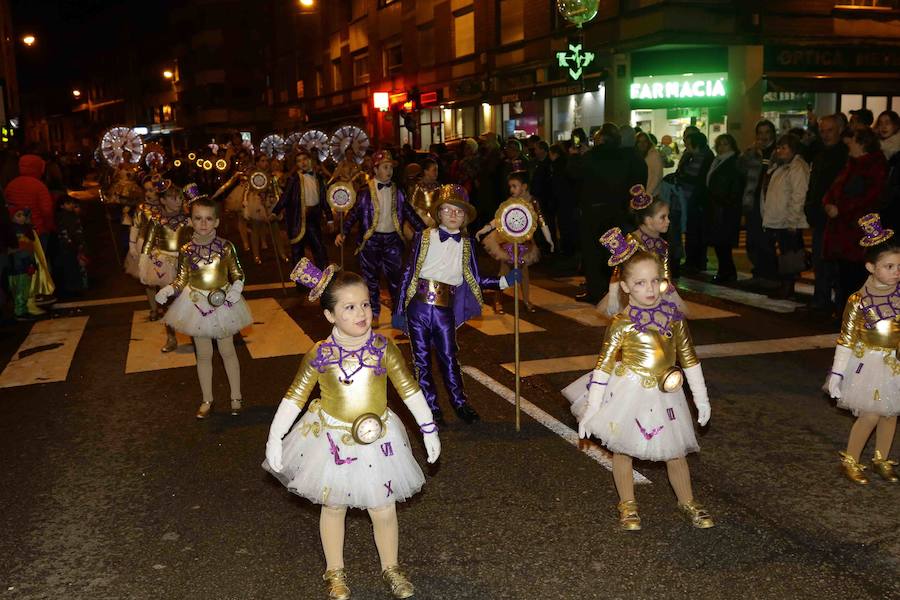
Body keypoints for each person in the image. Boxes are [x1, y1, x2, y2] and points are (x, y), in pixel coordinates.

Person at [264, 261, 440, 600]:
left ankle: (391, 566)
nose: (362, 312)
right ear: (330, 316)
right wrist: (276, 435)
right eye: (349, 307)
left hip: (379, 440)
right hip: (333, 441)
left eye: (366, 304)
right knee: (333, 507)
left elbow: (408, 389)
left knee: (384, 506)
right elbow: (294, 396)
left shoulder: (383, 347)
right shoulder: (320, 354)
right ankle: (335, 572)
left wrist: (428, 427)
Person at [563, 228, 713, 530]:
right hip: (630, 390)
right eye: (640, 283)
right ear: (626, 288)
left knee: (675, 450)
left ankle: (688, 501)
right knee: (624, 448)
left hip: (667, 391)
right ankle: (628, 505)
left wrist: (701, 399)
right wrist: (593, 409)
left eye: (655, 281)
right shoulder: (622, 323)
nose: (650, 289)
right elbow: (603, 366)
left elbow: (689, 358)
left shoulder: (673, 317)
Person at [395, 184, 521, 426]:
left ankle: (460, 403)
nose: (454, 215)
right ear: (439, 213)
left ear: (464, 218)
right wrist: (400, 309)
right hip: (418, 307)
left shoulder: (466, 245)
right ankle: (431, 408)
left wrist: (503, 281)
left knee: (449, 357)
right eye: (449, 210)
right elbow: (408, 273)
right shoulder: (424, 238)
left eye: (459, 212)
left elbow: (475, 276)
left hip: (444, 309)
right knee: (421, 360)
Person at [154, 191, 251, 418]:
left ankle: (236, 396)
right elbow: (181, 279)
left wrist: (236, 289)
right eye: (198, 218)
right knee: (203, 354)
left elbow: (238, 273)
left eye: (208, 218)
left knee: (227, 351)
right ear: (190, 221)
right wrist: (169, 289)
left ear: (217, 221)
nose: (203, 223)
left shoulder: (226, 247)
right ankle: (207, 399)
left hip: (223, 302)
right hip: (196, 305)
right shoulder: (186, 250)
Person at [824, 214, 899, 485]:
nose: (896, 272)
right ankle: (851, 460)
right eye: (889, 266)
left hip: (895, 361)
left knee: (891, 413)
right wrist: (837, 374)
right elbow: (845, 339)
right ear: (870, 267)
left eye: (899, 266)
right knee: (871, 414)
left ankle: (880, 457)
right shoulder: (859, 301)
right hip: (868, 363)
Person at [336, 150, 426, 321]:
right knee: (370, 280)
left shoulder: (398, 191)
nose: (389, 171)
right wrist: (343, 231)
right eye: (385, 167)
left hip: (393, 240)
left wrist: (425, 231)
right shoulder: (365, 192)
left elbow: (409, 212)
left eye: (391, 167)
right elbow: (354, 214)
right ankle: (375, 312)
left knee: (396, 279)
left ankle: (398, 314)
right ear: (375, 169)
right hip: (370, 242)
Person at [567, 123, 647, 303]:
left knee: (592, 253)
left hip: (592, 211)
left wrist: (573, 156)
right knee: (614, 252)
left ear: (601, 139)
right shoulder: (625, 157)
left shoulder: (591, 156)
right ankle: (618, 290)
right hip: (616, 211)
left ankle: (596, 291)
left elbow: (573, 174)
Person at [823, 127, 888, 313]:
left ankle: (856, 315)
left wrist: (840, 209)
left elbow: (870, 198)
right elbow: (834, 189)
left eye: (850, 140)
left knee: (857, 274)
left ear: (861, 143)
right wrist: (828, 203)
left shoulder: (873, 165)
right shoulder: (852, 164)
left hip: (858, 230)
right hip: (844, 229)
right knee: (843, 274)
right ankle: (844, 312)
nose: (847, 144)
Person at [598, 184, 687, 317]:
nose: (668, 221)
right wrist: (613, 295)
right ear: (648, 220)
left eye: (668, 217)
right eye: (663, 217)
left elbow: (665, 272)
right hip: (632, 293)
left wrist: (665, 292)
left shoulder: (663, 245)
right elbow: (618, 271)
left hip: (656, 289)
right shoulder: (632, 241)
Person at [477, 171, 554, 314]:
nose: (511, 190)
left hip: (524, 242)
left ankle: (526, 300)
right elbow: (499, 219)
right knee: (504, 270)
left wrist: (549, 239)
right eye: (510, 186)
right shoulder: (510, 202)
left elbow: (541, 220)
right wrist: (485, 228)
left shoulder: (532, 202)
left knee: (524, 272)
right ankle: (498, 300)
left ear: (524, 186)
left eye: (514, 186)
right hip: (507, 241)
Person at [140, 182, 192, 352]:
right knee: (168, 301)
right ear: (162, 200)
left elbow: (196, 239)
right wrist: (143, 264)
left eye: (180, 198)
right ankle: (171, 337)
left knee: (190, 299)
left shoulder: (187, 219)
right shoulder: (156, 219)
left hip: (185, 262)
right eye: (173, 198)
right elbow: (148, 242)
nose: (178, 201)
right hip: (165, 264)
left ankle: (195, 334)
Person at [805, 115, 848, 312]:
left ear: (839, 130)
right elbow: (814, 183)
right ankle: (821, 297)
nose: (825, 134)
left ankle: (836, 300)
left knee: (834, 262)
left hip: (835, 215)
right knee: (820, 261)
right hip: (820, 214)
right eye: (822, 130)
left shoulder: (844, 154)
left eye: (829, 130)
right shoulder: (820, 153)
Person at [760, 133, 810, 299]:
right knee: (785, 253)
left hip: (787, 220)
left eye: (783, 147)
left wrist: (793, 220)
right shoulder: (781, 166)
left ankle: (788, 287)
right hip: (779, 218)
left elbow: (799, 194)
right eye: (778, 147)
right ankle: (785, 285)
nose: (779, 150)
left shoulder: (797, 167)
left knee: (790, 254)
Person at [274, 148, 332, 270]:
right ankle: (301, 282)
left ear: (310, 160)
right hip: (298, 219)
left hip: (314, 218)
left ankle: (323, 278)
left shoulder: (319, 179)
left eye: (305, 159)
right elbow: (285, 197)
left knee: (319, 247)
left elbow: (324, 200)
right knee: (297, 250)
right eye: (299, 161)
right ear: (297, 164)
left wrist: (330, 219)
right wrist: (275, 211)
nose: (303, 163)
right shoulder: (294, 180)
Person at [739, 120, 778, 286]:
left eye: (766, 132)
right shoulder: (753, 152)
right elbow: (739, 169)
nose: (763, 136)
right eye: (760, 133)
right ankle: (758, 272)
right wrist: (749, 152)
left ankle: (769, 274)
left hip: (769, 202)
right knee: (752, 239)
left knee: (766, 240)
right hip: (752, 201)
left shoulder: (777, 152)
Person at [705, 133, 744, 283]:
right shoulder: (717, 161)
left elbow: (735, 187)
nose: (721, 147)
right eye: (719, 144)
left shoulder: (733, 162)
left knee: (723, 243)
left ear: (732, 145)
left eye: (725, 144)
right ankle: (724, 271)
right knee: (719, 243)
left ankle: (727, 272)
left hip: (725, 208)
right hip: (716, 206)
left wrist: (725, 200)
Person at [54, 195, 88, 296]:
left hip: (76, 244)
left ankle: (80, 285)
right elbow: (65, 232)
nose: (72, 205)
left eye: (72, 203)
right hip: (69, 246)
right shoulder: (63, 217)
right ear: (62, 206)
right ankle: (73, 288)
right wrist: (71, 243)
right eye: (68, 203)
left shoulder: (72, 215)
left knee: (79, 265)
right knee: (71, 267)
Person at [636, 131, 664, 198]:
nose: (642, 144)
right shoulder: (639, 155)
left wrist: (646, 194)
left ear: (648, 142)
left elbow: (656, 177)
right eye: (639, 141)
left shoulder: (654, 155)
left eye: (645, 141)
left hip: (651, 194)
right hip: (642, 193)